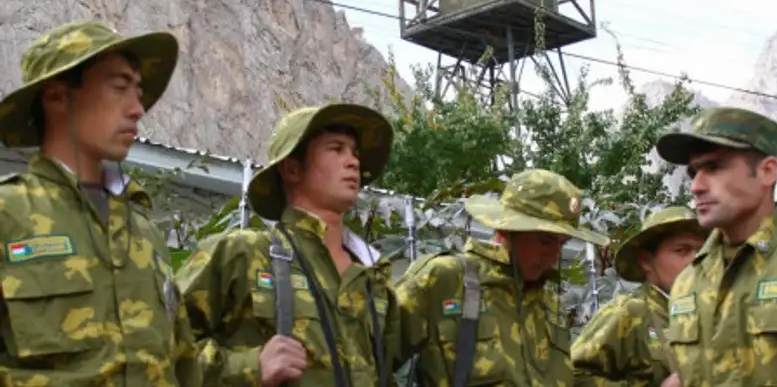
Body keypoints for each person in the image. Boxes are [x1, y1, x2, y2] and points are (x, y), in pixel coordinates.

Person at [0, 20, 199, 384]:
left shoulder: (146, 236)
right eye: (120, 87)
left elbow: (185, 368)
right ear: (57, 97)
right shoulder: (8, 215)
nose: (137, 109)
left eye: (138, 92)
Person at [175, 103, 398, 386]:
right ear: (292, 169)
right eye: (336, 149)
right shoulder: (242, 253)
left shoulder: (371, 278)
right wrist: (250, 367)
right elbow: (158, 349)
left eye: (355, 152)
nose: (353, 162)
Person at [392, 169, 611, 386]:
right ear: (507, 228)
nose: (554, 258)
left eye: (562, 244)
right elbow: (373, 357)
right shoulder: (446, 279)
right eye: (545, 241)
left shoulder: (549, 302)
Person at [655, 106, 777, 386]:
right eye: (693, 172)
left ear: (767, 171)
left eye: (714, 167)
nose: (696, 186)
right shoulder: (688, 283)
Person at [571, 206, 709, 386]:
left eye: (701, 251)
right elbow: (572, 376)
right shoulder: (630, 312)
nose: (696, 259)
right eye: (682, 250)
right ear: (646, 261)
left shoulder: (708, 310)